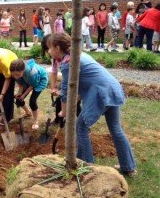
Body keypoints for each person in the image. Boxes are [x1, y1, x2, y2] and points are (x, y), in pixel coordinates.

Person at [47, 32, 137, 177]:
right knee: (116, 129)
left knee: (81, 126)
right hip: (112, 88)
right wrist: (75, 100)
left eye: (49, 48)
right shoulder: (79, 55)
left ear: (57, 48)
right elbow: (86, 80)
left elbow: (64, 91)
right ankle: (129, 167)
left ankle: (86, 166)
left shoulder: (67, 63)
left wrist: (63, 111)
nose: (48, 51)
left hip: (100, 93)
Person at [10, 59, 48, 130]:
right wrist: (20, 93)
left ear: (23, 70)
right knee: (19, 100)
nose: (15, 76)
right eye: (13, 75)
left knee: (32, 102)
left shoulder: (32, 73)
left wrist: (23, 95)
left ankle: (36, 121)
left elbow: (32, 85)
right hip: (27, 80)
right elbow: (21, 83)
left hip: (40, 81)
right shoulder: (16, 74)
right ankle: (28, 113)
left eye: (17, 75)